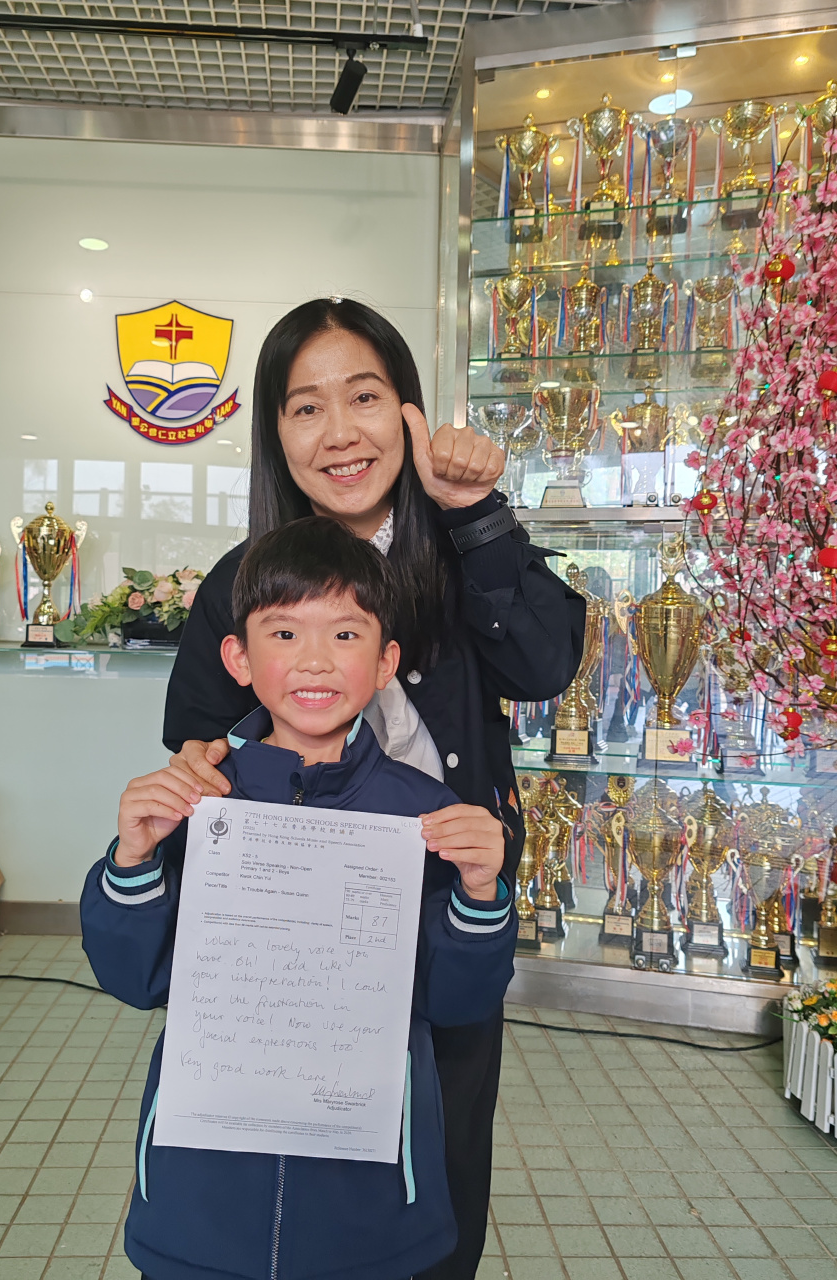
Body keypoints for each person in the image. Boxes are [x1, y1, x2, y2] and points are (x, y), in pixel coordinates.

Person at [163, 298, 585, 1279]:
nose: (340, 432)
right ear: (276, 433)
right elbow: (195, 745)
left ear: (407, 409)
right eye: (306, 407)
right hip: (293, 938)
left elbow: (546, 662)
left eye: (364, 397)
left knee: (441, 1158)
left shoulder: (460, 547)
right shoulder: (242, 579)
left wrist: (474, 512)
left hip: (446, 912)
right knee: (292, 1170)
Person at [82, 517, 518, 1280]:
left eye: (345, 635)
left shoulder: (424, 815)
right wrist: (133, 859)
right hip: (203, 1207)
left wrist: (481, 896)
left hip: (368, 1215)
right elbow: (134, 979)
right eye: (284, 634)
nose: (315, 659)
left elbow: (455, 1001)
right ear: (237, 657)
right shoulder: (196, 801)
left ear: (386, 661)